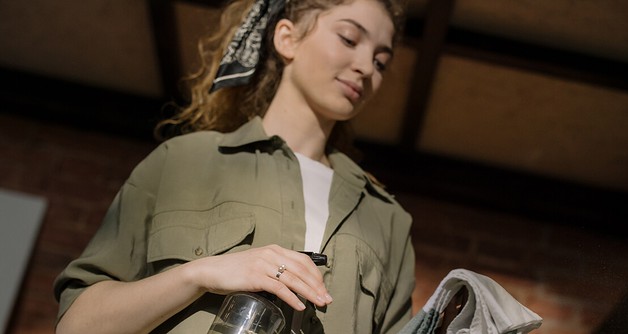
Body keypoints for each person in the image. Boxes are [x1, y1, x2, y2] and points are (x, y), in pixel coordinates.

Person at [53, 0, 415, 332]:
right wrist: (199, 274)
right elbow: (76, 326)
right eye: (349, 39)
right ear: (287, 39)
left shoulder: (388, 220)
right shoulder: (182, 161)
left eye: (381, 61)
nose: (367, 67)